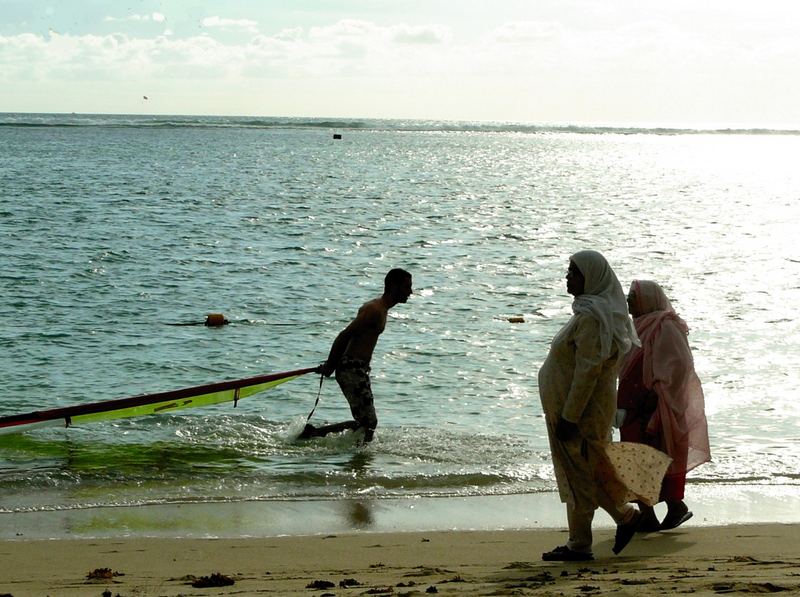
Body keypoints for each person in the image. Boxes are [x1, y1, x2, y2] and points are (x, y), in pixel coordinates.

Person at [538, 250, 669, 561]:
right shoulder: (592, 313)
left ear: (592, 277)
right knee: (587, 473)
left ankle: (582, 542)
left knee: (580, 474)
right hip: (577, 409)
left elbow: (588, 371)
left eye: (574, 272)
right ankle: (621, 521)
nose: (567, 277)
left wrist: (570, 416)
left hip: (581, 413)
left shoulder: (594, 319)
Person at [617, 280, 711, 531]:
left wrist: (658, 391)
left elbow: (679, 363)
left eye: (633, 297)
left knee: (653, 456)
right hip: (633, 405)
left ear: (648, 299)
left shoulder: (665, 325)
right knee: (634, 457)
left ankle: (669, 509)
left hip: (654, 405)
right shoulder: (635, 327)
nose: (628, 302)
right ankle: (652, 513)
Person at [301, 268, 413, 443]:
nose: (410, 292)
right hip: (351, 368)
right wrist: (331, 364)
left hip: (359, 369)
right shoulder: (374, 309)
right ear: (393, 286)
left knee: (365, 422)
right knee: (369, 422)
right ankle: (360, 459)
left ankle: (315, 434)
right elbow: (345, 335)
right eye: (407, 287)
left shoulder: (383, 310)